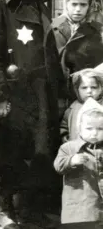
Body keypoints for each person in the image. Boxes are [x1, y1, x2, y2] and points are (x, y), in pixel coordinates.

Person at [0, 0, 64, 228]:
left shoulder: (41, 4)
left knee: (40, 150)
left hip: (40, 91)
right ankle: (6, 209)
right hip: (13, 90)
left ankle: (30, 209)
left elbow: (48, 51)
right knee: (9, 150)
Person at [54, 98, 103, 229]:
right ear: (79, 128)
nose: (94, 133)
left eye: (100, 129)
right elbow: (58, 165)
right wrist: (71, 161)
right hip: (78, 207)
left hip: (98, 207)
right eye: (89, 128)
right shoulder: (69, 147)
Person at [53, 0, 103, 84]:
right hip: (60, 87)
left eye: (83, 5)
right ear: (66, 4)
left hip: (86, 87)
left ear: (89, 6)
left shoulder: (97, 30)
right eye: (74, 4)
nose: (78, 9)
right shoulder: (54, 26)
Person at [61, 67, 103, 143]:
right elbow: (64, 127)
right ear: (77, 89)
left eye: (94, 87)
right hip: (77, 148)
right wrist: (66, 139)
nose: (89, 91)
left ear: (100, 88)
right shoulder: (72, 108)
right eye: (84, 88)